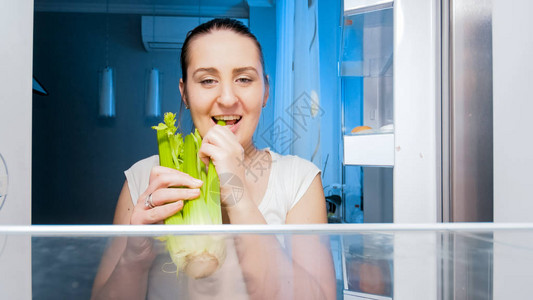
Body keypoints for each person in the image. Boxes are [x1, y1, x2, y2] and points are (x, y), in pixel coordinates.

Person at [91, 18, 336, 300]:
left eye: (244, 79)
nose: (228, 98)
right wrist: (135, 256)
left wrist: (237, 193)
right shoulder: (142, 179)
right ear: (184, 93)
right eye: (208, 80)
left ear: (266, 91)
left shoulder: (299, 181)